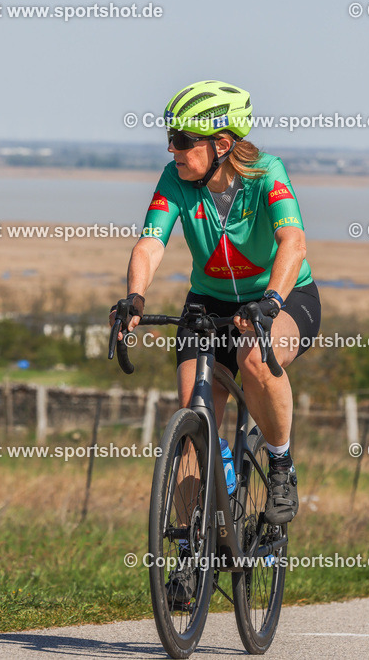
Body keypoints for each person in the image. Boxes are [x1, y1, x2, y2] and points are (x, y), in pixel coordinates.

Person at [111, 80, 321, 600]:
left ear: (222, 143)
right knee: (192, 416)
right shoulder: (174, 179)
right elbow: (150, 243)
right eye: (171, 137)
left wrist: (271, 299)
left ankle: (281, 463)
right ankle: (190, 550)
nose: (172, 149)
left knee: (255, 358)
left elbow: (291, 241)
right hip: (208, 305)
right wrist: (135, 298)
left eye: (184, 139)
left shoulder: (265, 174)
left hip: (281, 295)